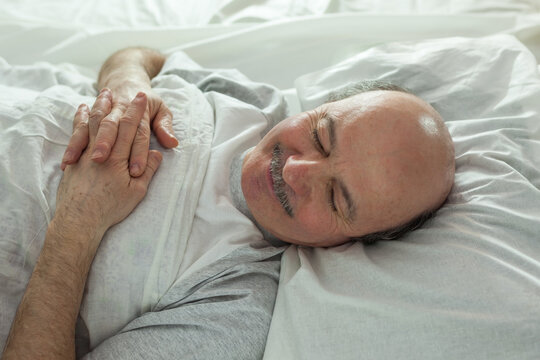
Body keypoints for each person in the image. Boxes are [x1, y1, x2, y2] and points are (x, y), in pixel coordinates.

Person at [1, 47, 455, 359]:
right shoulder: (255, 103)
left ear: (349, 242)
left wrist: (78, 222)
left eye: (336, 197)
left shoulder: (233, 304)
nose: (297, 171)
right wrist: (127, 85)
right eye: (320, 135)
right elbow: (142, 56)